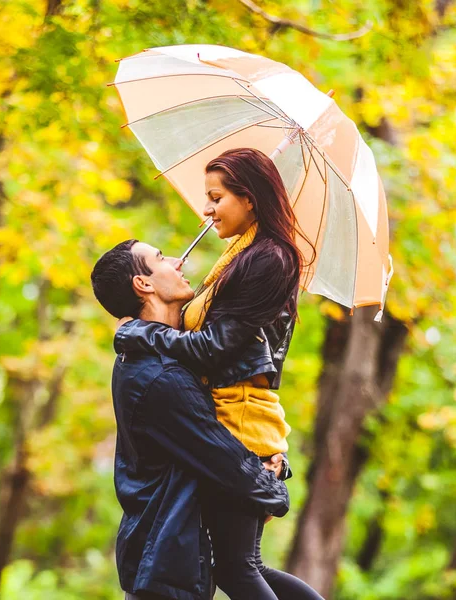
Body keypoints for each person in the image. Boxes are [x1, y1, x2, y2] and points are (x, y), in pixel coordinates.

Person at [115, 148, 323, 599]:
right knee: (239, 565)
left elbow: (211, 348)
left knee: (238, 569)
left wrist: (142, 333)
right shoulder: (238, 254)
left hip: (241, 418)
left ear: (249, 198)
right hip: (233, 414)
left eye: (216, 197)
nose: (206, 209)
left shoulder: (267, 258)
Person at [91, 239, 292, 600]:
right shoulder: (158, 375)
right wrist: (274, 487)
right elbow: (222, 458)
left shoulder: (162, 359)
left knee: (247, 567)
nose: (176, 261)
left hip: (166, 562)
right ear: (144, 284)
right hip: (163, 568)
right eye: (160, 258)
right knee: (246, 568)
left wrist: (270, 460)